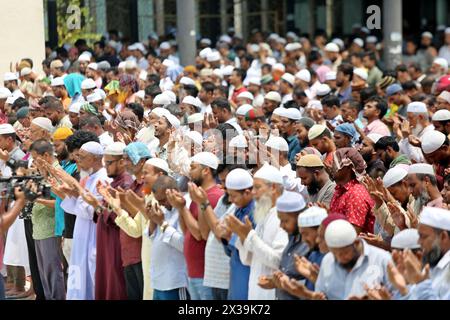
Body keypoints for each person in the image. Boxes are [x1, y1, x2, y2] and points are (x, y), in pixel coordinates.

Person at [227, 164, 288, 300]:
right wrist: (242, 237)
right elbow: (249, 259)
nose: (253, 192)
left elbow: (278, 260)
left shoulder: (283, 217)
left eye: (257, 187)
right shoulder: (263, 214)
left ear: (273, 188)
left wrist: (249, 235)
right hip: (255, 289)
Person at [59, 141, 110, 300]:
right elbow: (78, 208)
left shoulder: (103, 179)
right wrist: (71, 194)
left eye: (82, 157)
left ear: (95, 159)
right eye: (78, 156)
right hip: (81, 234)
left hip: (93, 235)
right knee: (79, 274)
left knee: (92, 277)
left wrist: (78, 193)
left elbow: (93, 211)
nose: (78, 160)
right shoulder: (88, 178)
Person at [329, 148, 375, 234]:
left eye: (335, 164)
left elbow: (352, 235)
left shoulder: (355, 194)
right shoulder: (340, 190)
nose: (331, 167)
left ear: (349, 167)